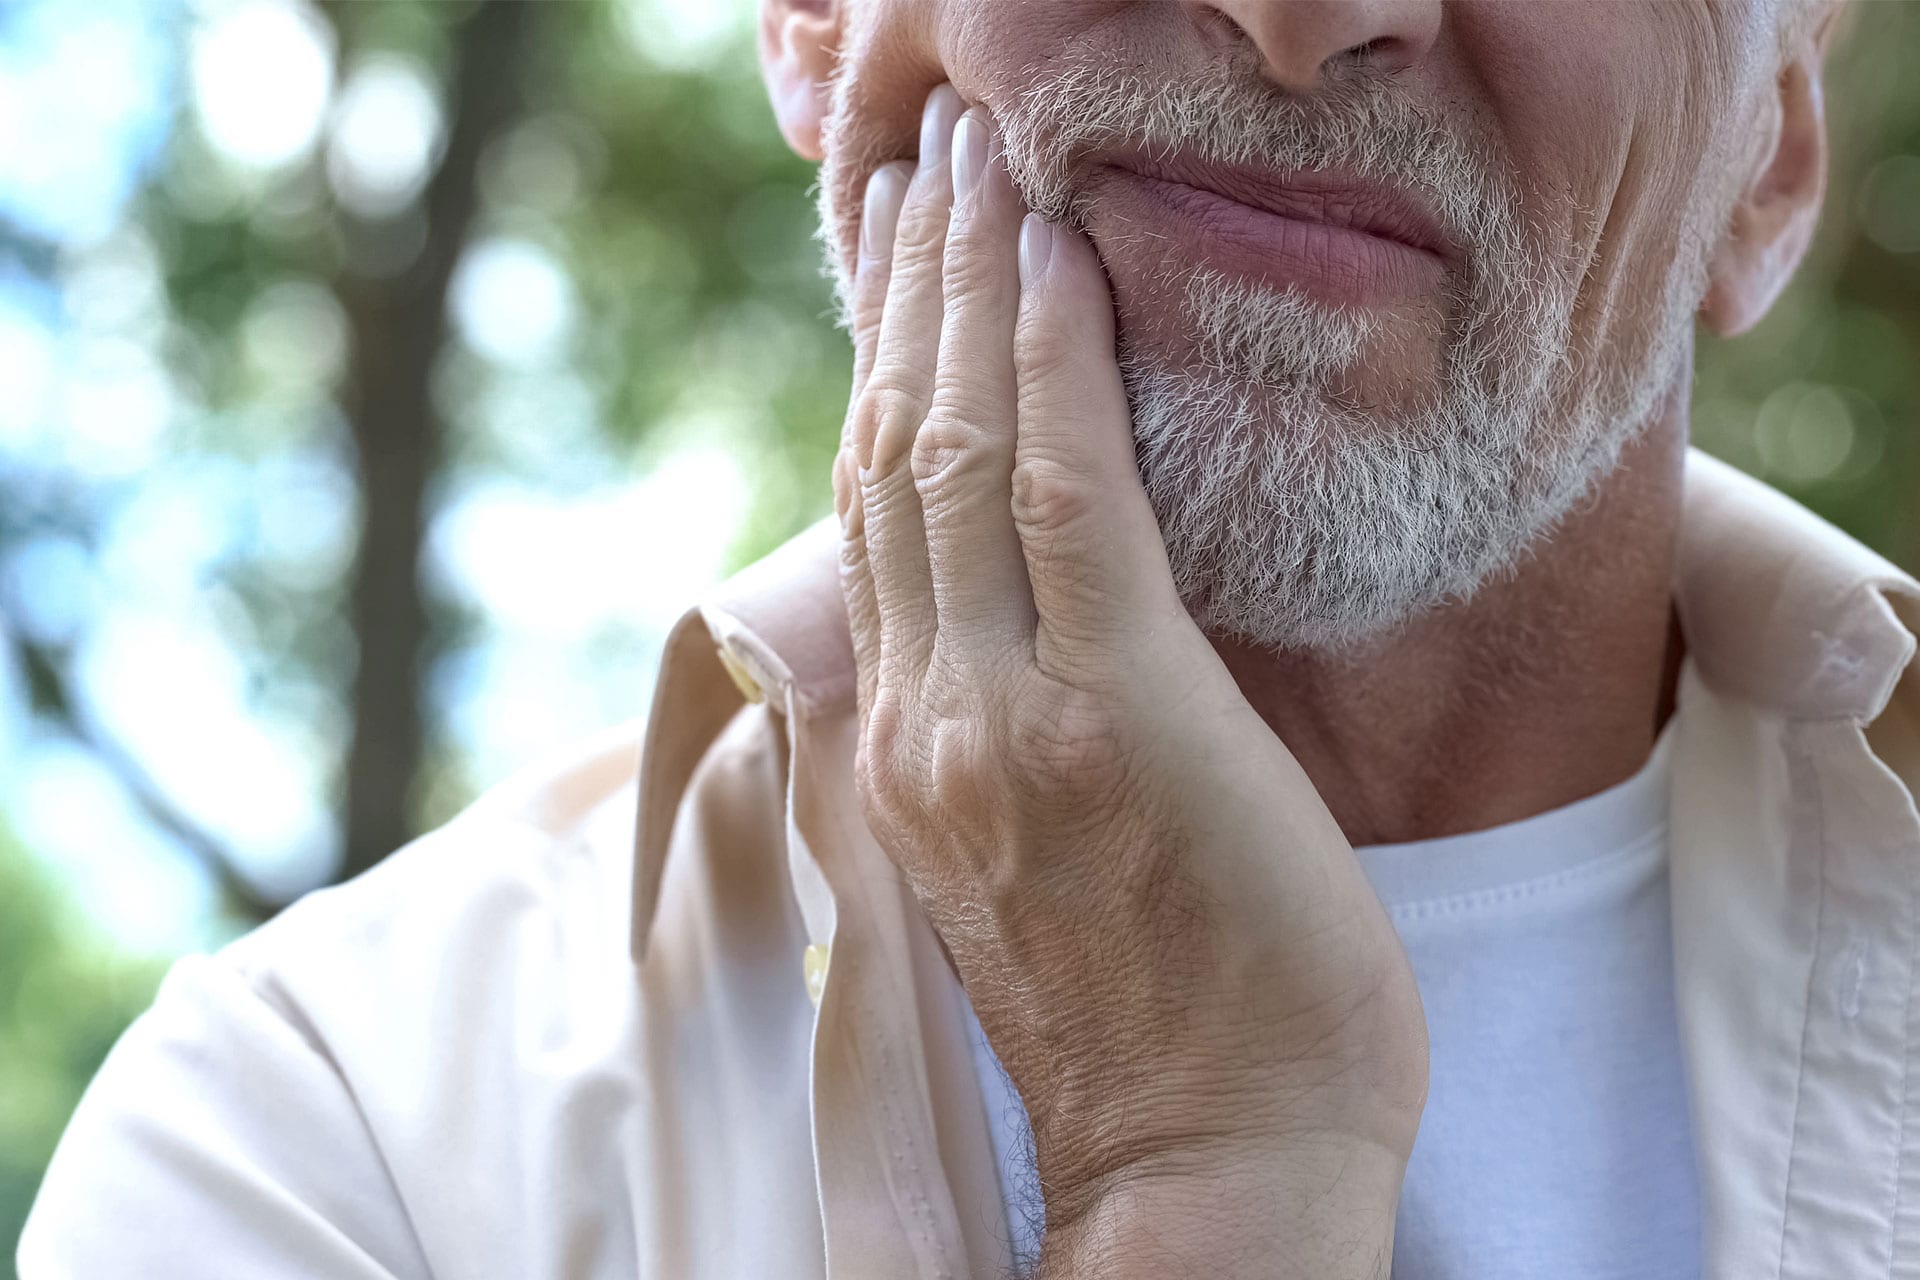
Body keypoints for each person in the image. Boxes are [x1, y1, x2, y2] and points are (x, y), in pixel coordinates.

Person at [20, 1, 1920, 1277]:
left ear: (1771, 145)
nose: (1295, 5)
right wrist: (1201, 1179)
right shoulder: (330, 1150)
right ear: (815, 17)